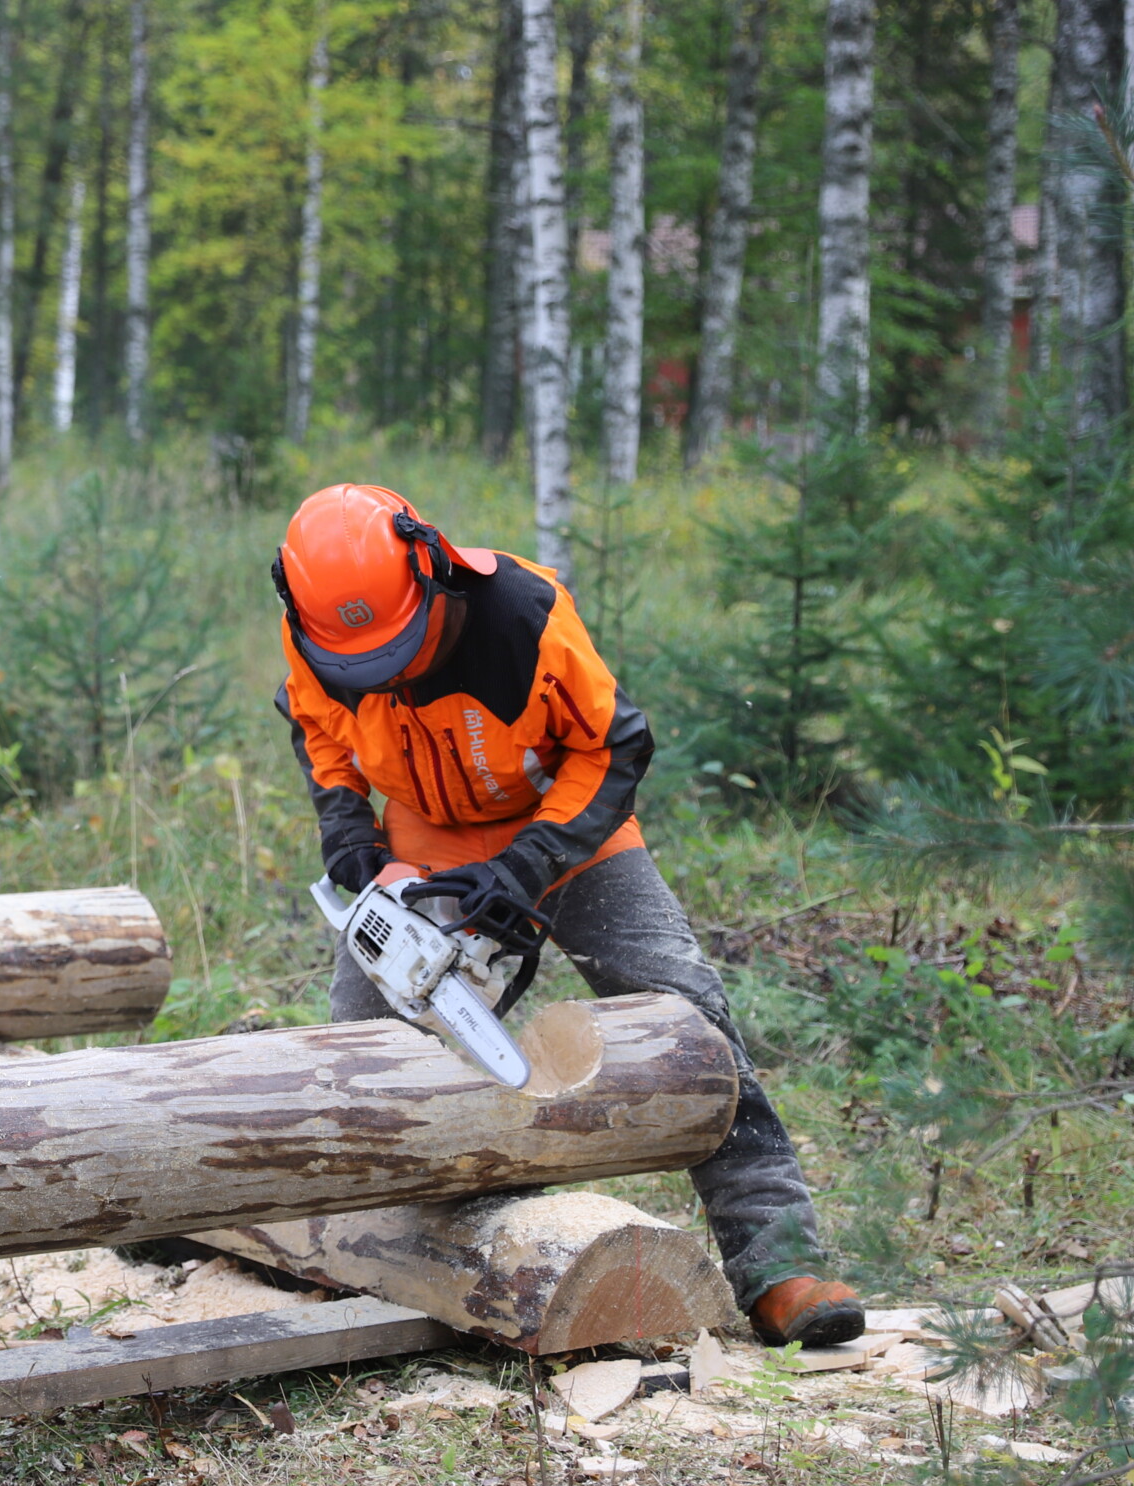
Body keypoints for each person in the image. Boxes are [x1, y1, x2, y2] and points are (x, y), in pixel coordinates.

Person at [272, 482, 863, 1351]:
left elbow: (614, 743)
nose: (384, 669)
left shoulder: (522, 614)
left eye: (394, 645)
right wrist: (349, 832)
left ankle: (778, 1261)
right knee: (358, 1037)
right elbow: (320, 730)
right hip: (426, 833)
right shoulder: (315, 632)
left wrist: (529, 864)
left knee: (684, 1002)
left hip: (564, 821)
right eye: (361, 659)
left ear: (431, 569)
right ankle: (359, 1251)